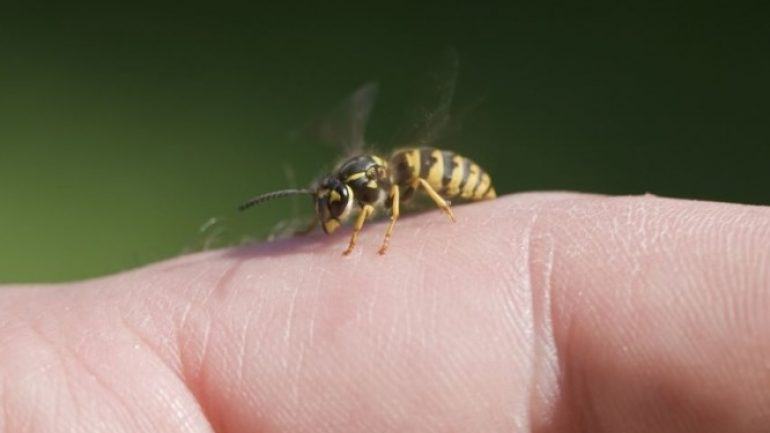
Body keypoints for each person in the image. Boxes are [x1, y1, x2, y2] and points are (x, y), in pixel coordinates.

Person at [1, 193, 768, 432]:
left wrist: (395, 228)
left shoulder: (390, 195)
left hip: (440, 188)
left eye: (340, 208)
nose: (337, 215)